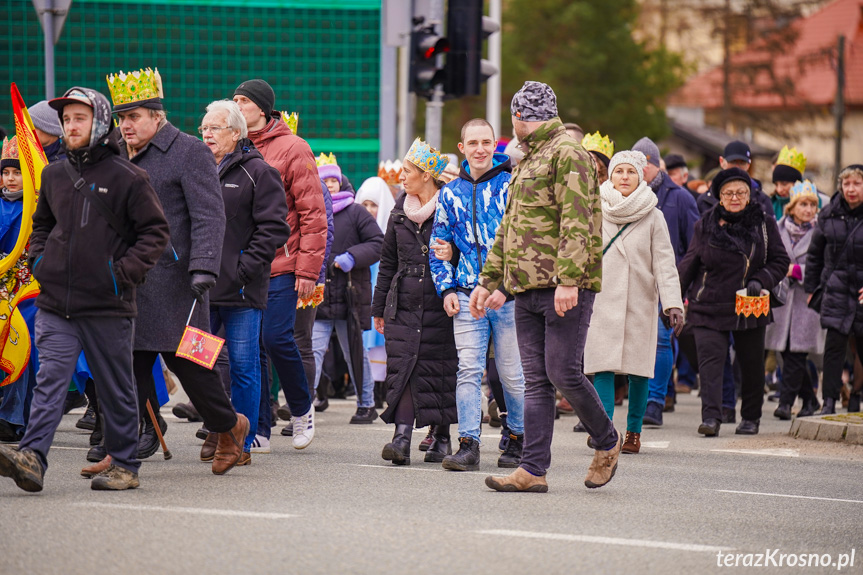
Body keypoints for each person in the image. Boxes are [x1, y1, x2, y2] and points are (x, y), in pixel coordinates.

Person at [0, 86, 170, 492]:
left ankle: (126, 465)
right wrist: (43, 262)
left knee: (115, 386)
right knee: (51, 380)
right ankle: (33, 458)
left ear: (99, 121)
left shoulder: (129, 176)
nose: (70, 126)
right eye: (66, 119)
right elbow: (41, 226)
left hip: (109, 303)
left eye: (79, 118)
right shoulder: (55, 175)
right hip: (57, 301)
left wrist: (121, 274)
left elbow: (155, 232)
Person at [475, 81, 620, 493]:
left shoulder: (567, 154)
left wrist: (569, 279)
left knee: (563, 373)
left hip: (562, 286)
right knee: (537, 380)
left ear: (521, 117)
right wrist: (492, 282)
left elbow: (578, 220)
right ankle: (532, 470)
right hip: (526, 287)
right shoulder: (528, 157)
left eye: (513, 117)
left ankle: (607, 442)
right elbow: (511, 228)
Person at [106, 67, 249, 475]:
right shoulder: (115, 151)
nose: (126, 125)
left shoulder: (189, 151)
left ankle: (229, 425)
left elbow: (209, 214)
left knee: (188, 363)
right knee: (127, 363)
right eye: (121, 117)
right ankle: (130, 444)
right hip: (126, 277)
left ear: (156, 115)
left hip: (178, 281)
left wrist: (204, 266)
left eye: (134, 116)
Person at [233, 79, 327, 449]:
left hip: (284, 264)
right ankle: (258, 429)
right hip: (243, 267)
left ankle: (301, 408)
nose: (237, 105)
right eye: (234, 100)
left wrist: (308, 270)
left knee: (276, 338)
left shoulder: (293, 147)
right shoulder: (234, 146)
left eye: (243, 100)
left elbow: (313, 213)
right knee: (249, 347)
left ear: (262, 107)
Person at [430, 118, 526, 470]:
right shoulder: (450, 193)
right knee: (468, 370)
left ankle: (517, 438)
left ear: (494, 146)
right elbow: (437, 245)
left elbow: (524, 241)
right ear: (462, 148)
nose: (481, 149)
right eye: (473, 143)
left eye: (486, 142)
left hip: (508, 296)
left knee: (512, 374)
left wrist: (507, 286)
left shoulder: (511, 184)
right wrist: (447, 288)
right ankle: (468, 443)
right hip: (468, 295)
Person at [202, 100, 290, 461]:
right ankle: (217, 429)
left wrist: (244, 269)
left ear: (235, 134)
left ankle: (243, 439)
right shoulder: (199, 169)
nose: (206, 134)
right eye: (203, 128)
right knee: (199, 364)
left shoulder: (259, 172)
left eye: (214, 128)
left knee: (243, 366)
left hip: (241, 289)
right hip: (202, 288)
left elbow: (274, 228)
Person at [583, 150, 684, 454]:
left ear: (640, 176)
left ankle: (634, 432)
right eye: (618, 171)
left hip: (641, 301)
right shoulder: (594, 209)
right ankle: (606, 431)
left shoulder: (654, 215)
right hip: (602, 299)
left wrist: (672, 303)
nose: (624, 177)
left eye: (630, 172)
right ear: (610, 176)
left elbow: (665, 264)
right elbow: (582, 254)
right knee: (603, 367)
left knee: (639, 370)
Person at [679, 168, 790, 436]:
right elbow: (689, 264)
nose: (735, 197)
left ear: (750, 195)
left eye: (741, 192)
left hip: (749, 302)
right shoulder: (704, 224)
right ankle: (712, 418)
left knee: (751, 364)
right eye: (728, 193)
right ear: (719, 196)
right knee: (710, 363)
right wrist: (672, 299)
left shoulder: (763, 222)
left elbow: (780, 261)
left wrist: (761, 280)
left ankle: (751, 417)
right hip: (709, 302)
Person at [372, 138, 457, 466]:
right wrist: (378, 308)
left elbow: (465, 249)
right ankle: (402, 438)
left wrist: (453, 255)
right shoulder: (398, 210)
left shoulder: (449, 206)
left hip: (441, 300)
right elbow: (387, 262)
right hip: (403, 302)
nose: (401, 177)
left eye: (407, 171)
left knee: (440, 369)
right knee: (404, 367)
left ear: (426, 175)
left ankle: (443, 437)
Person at [631, 137, 699, 427]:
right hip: (635, 282)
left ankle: (655, 403)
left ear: (651, 165)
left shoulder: (680, 197)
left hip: (667, 281)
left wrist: (682, 286)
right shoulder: (628, 196)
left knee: (660, 341)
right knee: (638, 344)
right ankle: (656, 395)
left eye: (638, 165)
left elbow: (694, 245)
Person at [311, 159, 383, 424]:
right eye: (325, 180)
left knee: (354, 352)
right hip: (319, 296)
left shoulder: (355, 212)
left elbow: (378, 243)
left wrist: (352, 257)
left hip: (349, 297)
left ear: (340, 181)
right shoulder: (313, 210)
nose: (329, 185)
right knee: (312, 351)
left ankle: (366, 404)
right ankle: (303, 408)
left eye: (333, 180)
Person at [805, 164, 863, 415]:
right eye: (847, 184)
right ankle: (828, 401)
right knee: (834, 349)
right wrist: (811, 288)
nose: (851, 189)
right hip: (836, 290)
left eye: (857, 184)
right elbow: (814, 255)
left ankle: (857, 397)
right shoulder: (828, 214)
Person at [765, 180, 824, 419]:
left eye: (812, 205)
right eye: (803, 204)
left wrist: (797, 270)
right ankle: (809, 401)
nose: (808, 209)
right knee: (785, 353)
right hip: (782, 299)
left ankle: (785, 404)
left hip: (805, 301)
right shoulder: (777, 229)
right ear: (792, 207)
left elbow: (823, 264)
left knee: (797, 353)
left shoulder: (820, 233)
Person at [0, 137, 39, 443]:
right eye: (5, 173)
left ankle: (13, 418)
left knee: (20, 345)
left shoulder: (37, 207)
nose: (10, 179)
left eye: (16, 173)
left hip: (29, 291)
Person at [697, 141, 772, 217]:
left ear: (748, 165)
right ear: (722, 162)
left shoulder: (761, 200)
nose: (737, 167)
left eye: (742, 163)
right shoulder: (705, 201)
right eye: (733, 162)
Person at [771, 146, 806, 220]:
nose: (779, 190)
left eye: (784, 184)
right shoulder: (769, 205)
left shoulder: (814, 203)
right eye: (776, 185)